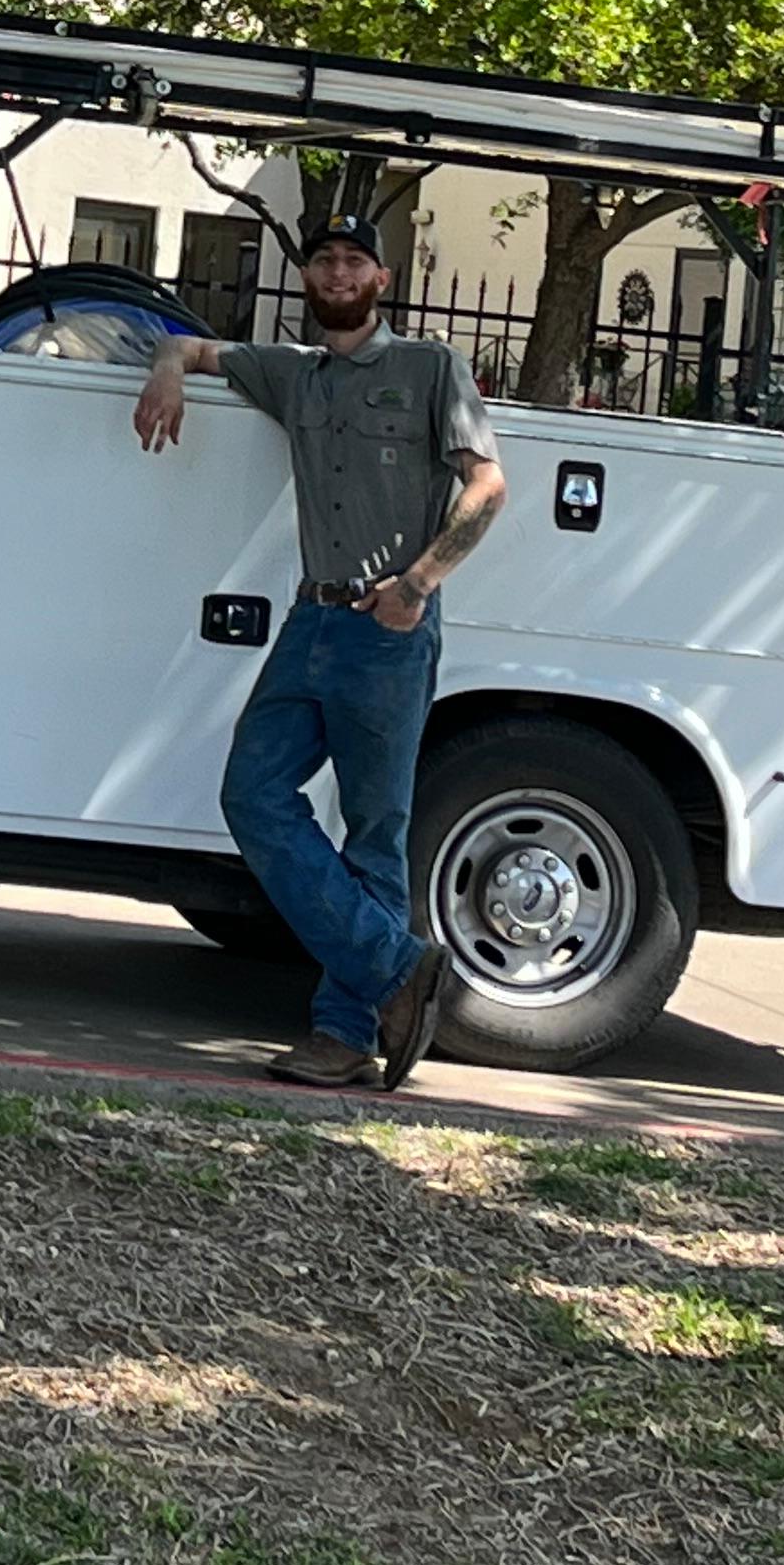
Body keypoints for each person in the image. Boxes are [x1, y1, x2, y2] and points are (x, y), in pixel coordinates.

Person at [133, 217, 507, 1091]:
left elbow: (487, 482)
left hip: (388, 628)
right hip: (311, 620)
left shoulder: (429, 367)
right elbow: (188, 345)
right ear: (306, 276)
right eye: (323, 260)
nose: (337, 273)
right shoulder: (294, 374)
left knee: (376, 832)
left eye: (353, 261)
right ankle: (396, 968)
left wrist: (417, 584)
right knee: (252, 793)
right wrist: (164, 370)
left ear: (383, 276)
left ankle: (343, 1035)